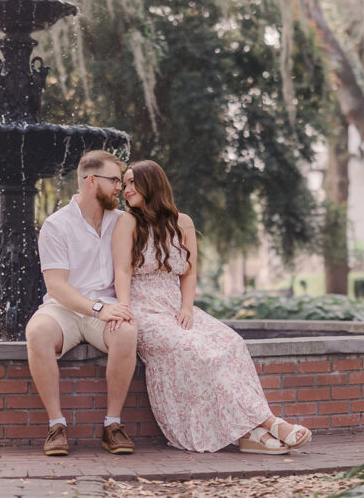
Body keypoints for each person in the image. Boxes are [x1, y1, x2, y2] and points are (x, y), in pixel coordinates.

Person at [112, 160, 313, 454]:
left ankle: (251, 434)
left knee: (232, 342)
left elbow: (189, 272)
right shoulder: (127, 222)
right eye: (125, 184)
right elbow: (122, 271)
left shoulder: (183, 223)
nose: (126, 190)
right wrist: (125, 307)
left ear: (151, 184)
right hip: (144, 308)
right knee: (193, 349)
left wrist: (187, 308)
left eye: (132, 183)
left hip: (175, 305)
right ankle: (268, 424)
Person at [26, 150, 139, 456]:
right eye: (114, 180)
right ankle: (56, 425)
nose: (120, 187)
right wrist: (98, 309)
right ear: (91, 181)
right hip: (65, 308)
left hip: (105, 306)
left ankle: (112, 426)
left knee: (128, 332)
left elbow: (125, 269)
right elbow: (57, 286)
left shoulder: (122, 221)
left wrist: (117, 308)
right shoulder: (56, 225)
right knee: (37, 332)